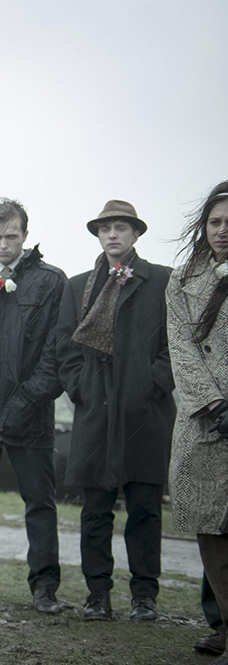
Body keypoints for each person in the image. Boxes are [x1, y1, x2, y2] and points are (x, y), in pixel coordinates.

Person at [54, 199, 175, 621]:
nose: (112, 235)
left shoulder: (161, 281)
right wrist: (83, 388)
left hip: (145, 416)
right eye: (105, 228)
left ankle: (144, 596)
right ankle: (97, 594)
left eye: (121, 227)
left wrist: (150, 385)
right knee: (96, 510)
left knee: (144, 509)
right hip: (96, 414)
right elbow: (64, 348)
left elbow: (174, 346)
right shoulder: (79, 285)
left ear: (136, 234)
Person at [0, 198, 67, 613]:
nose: (4, 244)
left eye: (12, 235)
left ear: (25, 235)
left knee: (39, 500)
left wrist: (24, 402)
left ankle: (44, 586)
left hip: (30, 408)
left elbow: (54, 355)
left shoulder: (49, 281)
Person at [166, 180, 228, 660]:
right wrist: (213, 403)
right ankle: (224, 625)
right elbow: (181, 344)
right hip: (204, 419)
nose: (223, 231)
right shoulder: (183, 278)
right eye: (216, 221)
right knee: (210, 524)